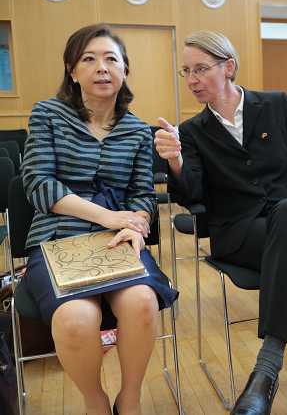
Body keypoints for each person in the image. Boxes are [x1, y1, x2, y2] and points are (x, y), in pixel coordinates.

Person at [154, 31, 287, 415]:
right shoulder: (192, 132)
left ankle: (267, 371)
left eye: (201, 69)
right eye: (186, 72)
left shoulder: (276, 104)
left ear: (228, 67)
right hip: (240, 233)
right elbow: (192, 194)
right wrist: (176, 161)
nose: (192, 80)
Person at [20, 24, 178, 415]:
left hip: (119, 241)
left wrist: (137, 222)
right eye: (88, 59)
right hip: (58, 237)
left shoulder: (138, 131)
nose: (101, 68)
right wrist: (109, 216)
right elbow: (39, 185)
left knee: (142, 303)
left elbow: (142, 195)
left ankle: (130, 399)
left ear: (125, 70)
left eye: (111, 59)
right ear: (72, 71)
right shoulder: (48, 114)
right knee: (76, 320)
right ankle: (96, 402)